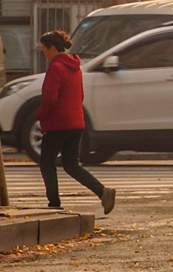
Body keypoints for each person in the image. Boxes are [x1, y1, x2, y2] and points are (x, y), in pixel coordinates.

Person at [35, 30, 114, 215]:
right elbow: (80, 95)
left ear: (52, 48)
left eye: (44, 49)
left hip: (57, 123)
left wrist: (40, 115)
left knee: (47, 162)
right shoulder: (75, 67)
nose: (44, 54)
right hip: (76, 123)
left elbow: (50, 98)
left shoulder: (56, 67)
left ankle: (54, 202)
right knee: (71, 164)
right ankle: (102, 191)